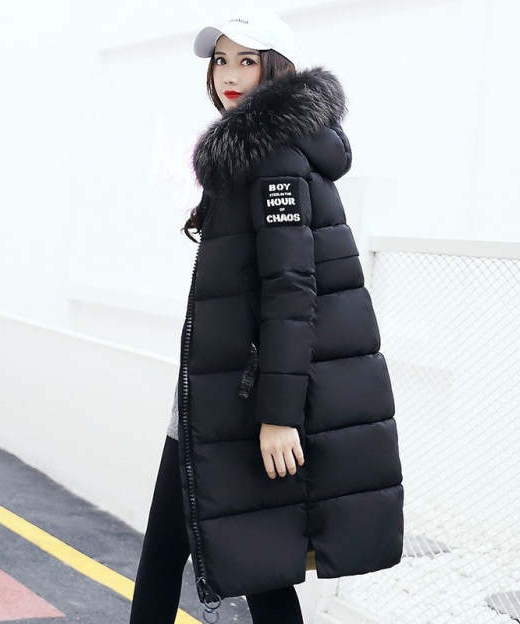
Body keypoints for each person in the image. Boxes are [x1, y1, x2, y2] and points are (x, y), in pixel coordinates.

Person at [130, 9, 404, 624]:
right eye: (220, 60)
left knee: (239, 559)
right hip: (220, 389)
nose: (228, 75)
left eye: (246, 61)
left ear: (274, 69)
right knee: (210, 551)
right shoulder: (251, 153)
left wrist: (278, 416)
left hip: (246, 397)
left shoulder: (274, 158)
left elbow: (291, 290)